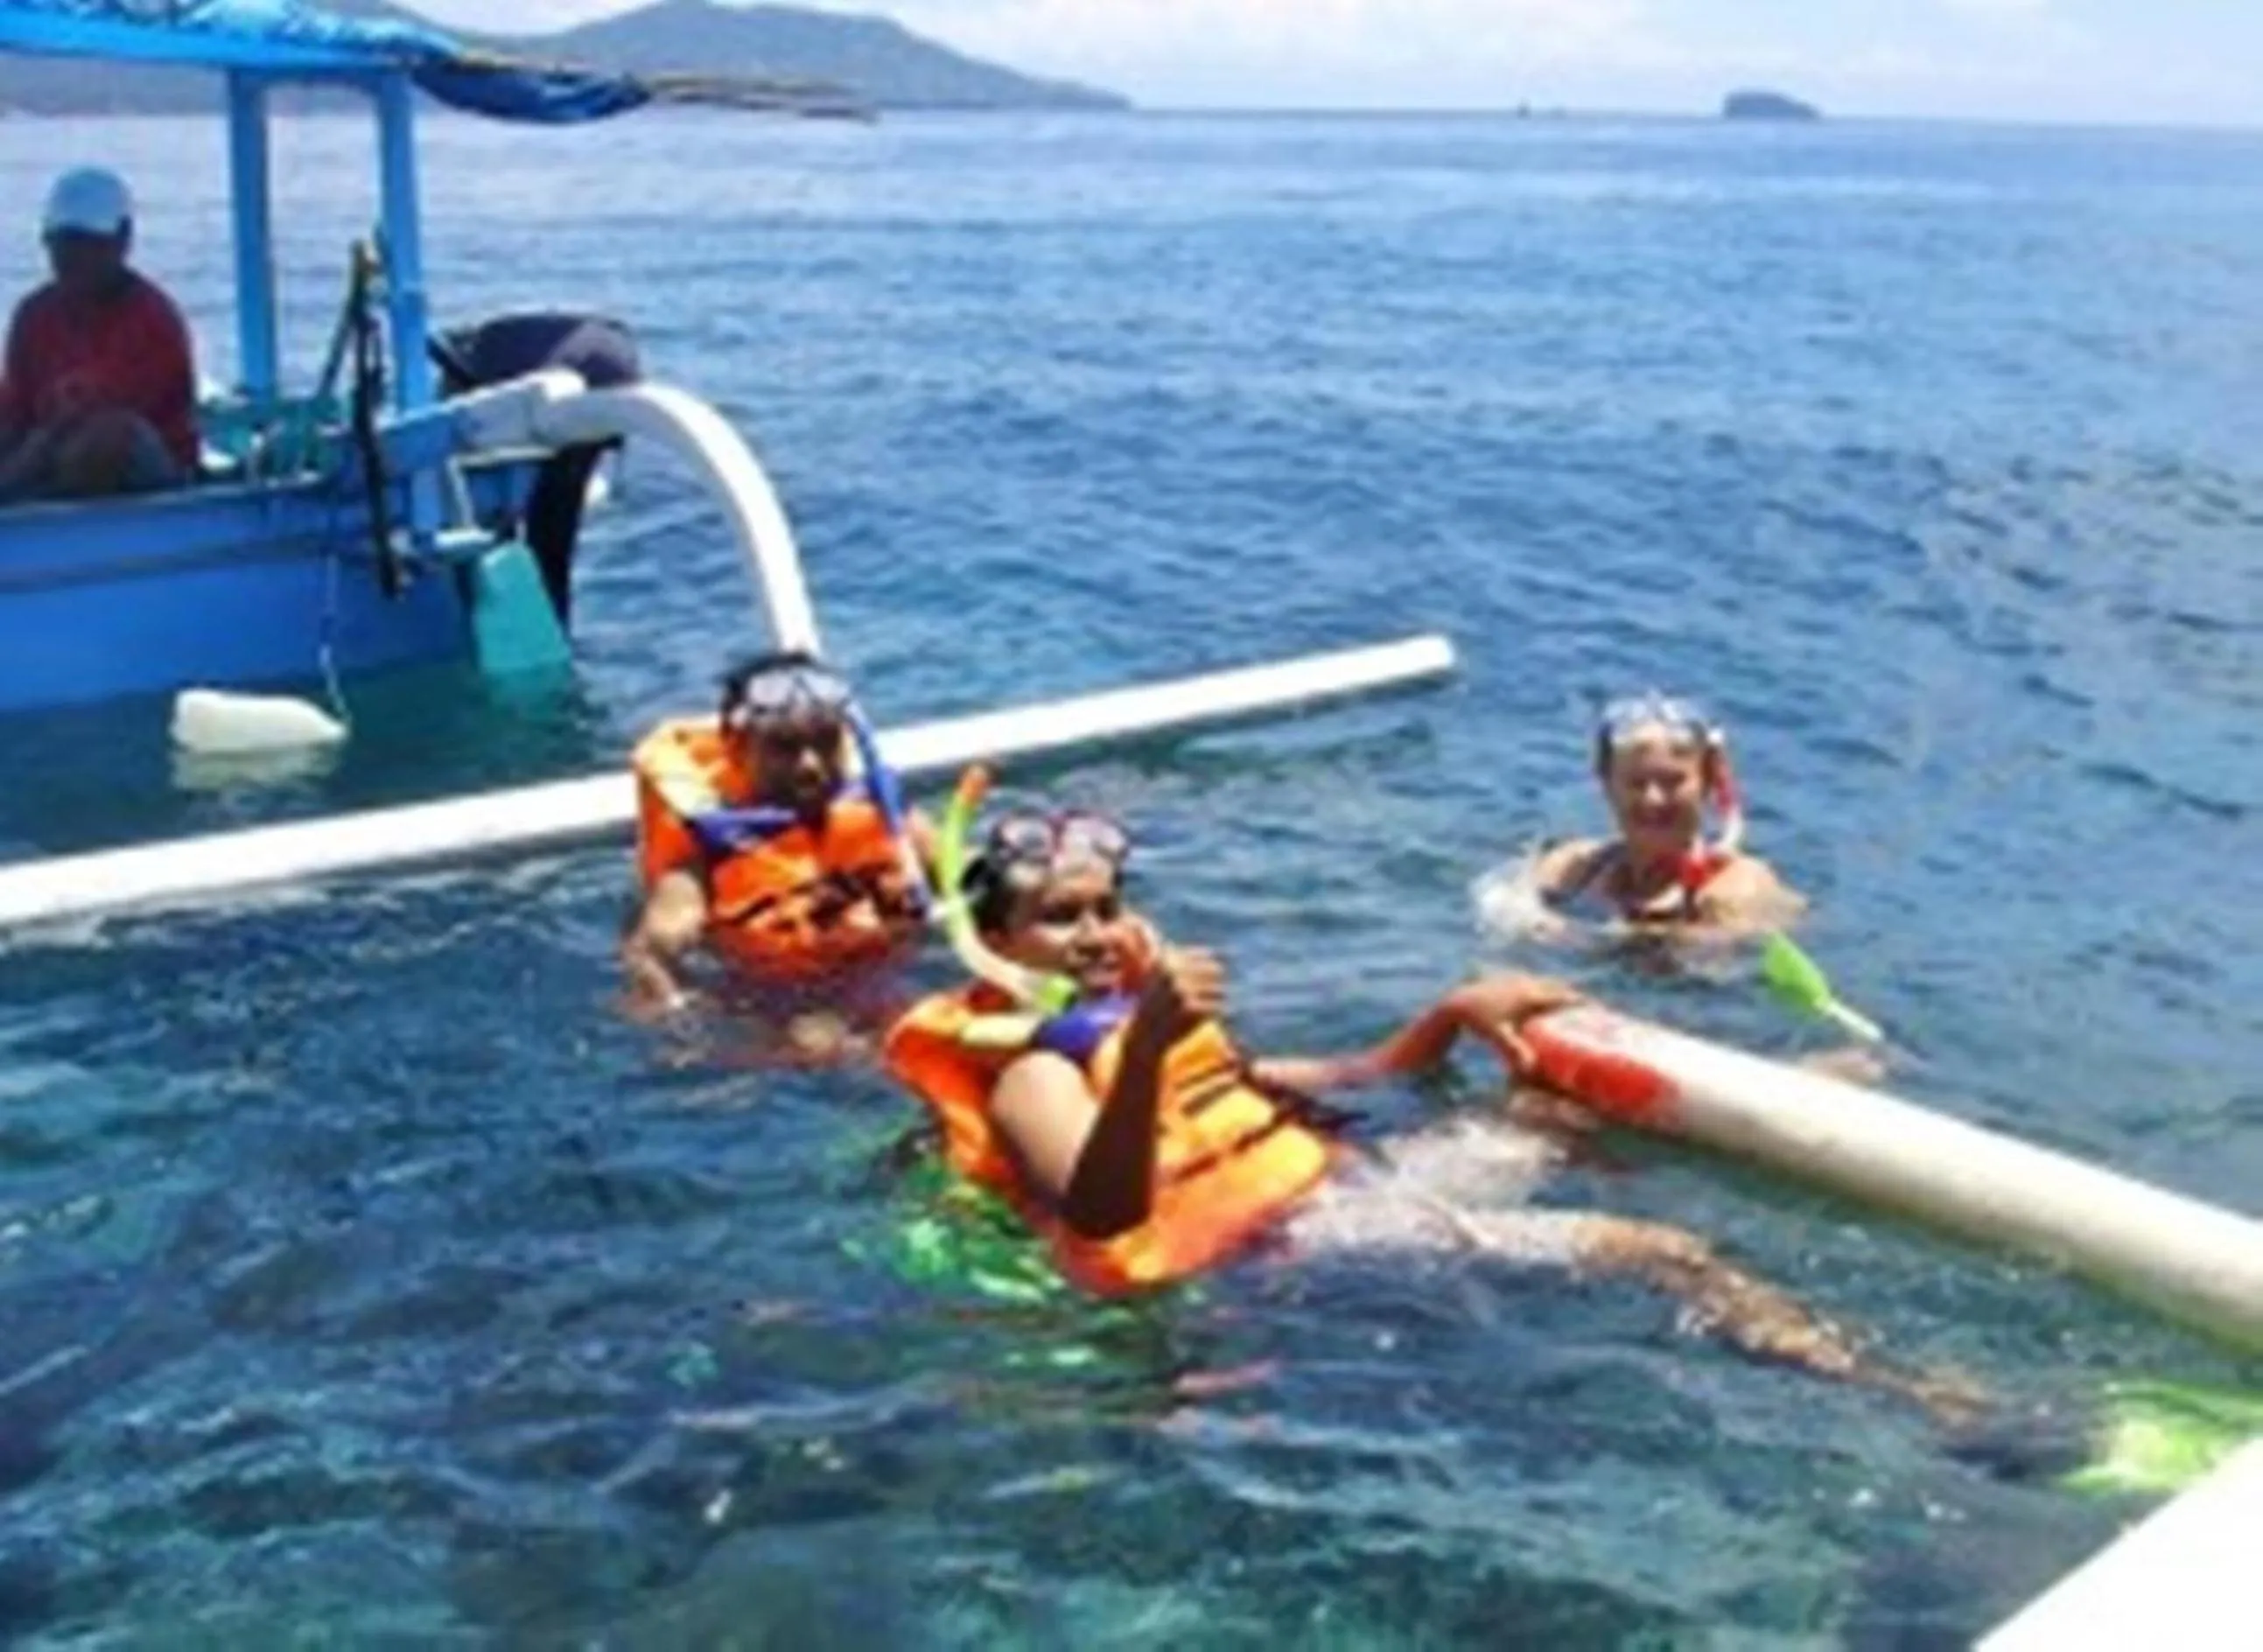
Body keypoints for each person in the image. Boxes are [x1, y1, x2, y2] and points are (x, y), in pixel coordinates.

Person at [883, 787, 1972, 1415]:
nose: (1099, 932)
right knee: (1659, 1250)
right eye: (1062, 917)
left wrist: (1446, 1017)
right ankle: (1921, 1397)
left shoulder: (1138, 1028)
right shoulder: (1033, 1068)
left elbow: (1320, 1084)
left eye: (1108, 905)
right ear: (994, 942)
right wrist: (1157, 1029)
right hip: (1287, 1247)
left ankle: (1796, 1091)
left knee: (1552, 1110)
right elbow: (1104, 1215)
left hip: (1336, 1187)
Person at [623, 650, 935, 1015]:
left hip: (890, 971)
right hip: (783, 1000)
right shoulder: (708, 849)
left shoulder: (884, 813)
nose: (810, 765)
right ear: (737, 749)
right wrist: (671, 1007)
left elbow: (967, 877)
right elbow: (654, 946)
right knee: (818, 1040)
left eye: (825, 742)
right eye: (784, 748)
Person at [1530, 692, 1803, 934]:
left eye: (1673, 782)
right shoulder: (1574, 869)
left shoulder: (1736, 890)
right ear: (1607, 785)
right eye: (1636, 783)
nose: (1653, 799)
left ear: (1707, 783)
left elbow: (1718, 967)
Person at [0, 168, 196, 505]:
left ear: (122, 241)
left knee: (105, 437)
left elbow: (85, 414)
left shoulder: (152, 318)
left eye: (85, 244)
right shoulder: (33, 314)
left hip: (144, 469)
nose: (70, 257)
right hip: (43, 449)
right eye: (61, 243)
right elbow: (17, 410)